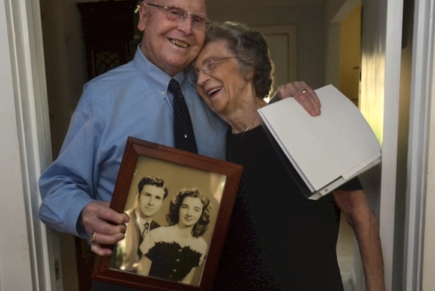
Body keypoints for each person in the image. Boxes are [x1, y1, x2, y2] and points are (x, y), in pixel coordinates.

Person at [38, 0, 320, 258]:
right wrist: (84, 213)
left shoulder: (212, 93)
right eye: (174, 13)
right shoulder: (100, 98)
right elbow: (57, 189)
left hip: (212, 269)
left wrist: (283, 107)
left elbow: (250, 123)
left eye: (197, 20)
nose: (186, 28)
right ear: (145, 17)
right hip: (132, 274)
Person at [190, 21, 386, 291]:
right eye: (196, 73)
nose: (201, 79)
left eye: (212, 64)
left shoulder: (303, 122)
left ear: (248, 68)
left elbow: (361, 215)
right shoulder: (210, 150)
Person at [137, 188, 211, 285]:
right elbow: (140, 278)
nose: (189, 213)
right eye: (185, 207)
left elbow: (186, 282)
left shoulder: (201, 246)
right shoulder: (156, 235)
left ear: (202, 214)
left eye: (196, 209)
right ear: (177, 208)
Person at [116, 176, 168, 272]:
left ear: (162, 202)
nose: (151, 203)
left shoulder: (159, 232)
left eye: (157, 198)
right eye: (147, 195)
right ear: (138, 196)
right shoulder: (120, 221)